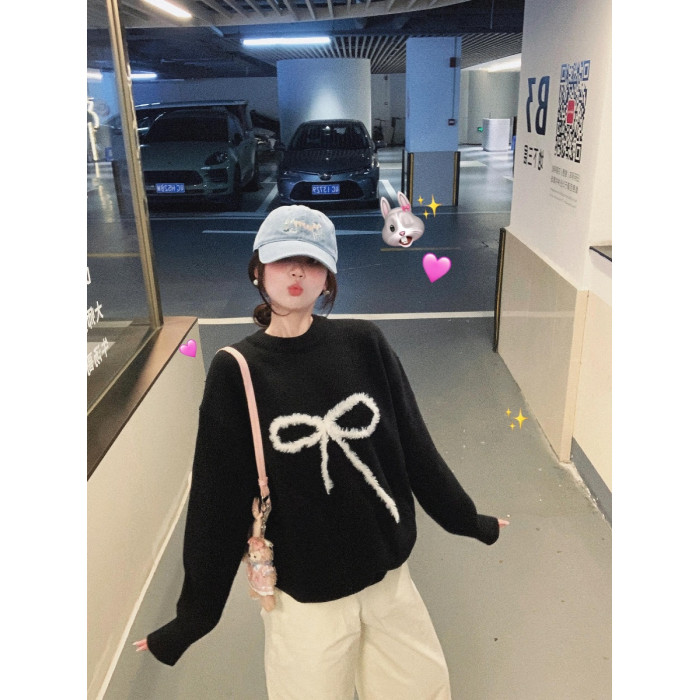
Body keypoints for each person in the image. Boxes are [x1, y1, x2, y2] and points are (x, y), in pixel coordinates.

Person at [135, 204, 509, 699]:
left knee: (422, 690)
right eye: (283, 259)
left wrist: (466, 518)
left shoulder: (364, 343)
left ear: (327, 277)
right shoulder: (237, 370)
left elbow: (413, 446)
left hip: (388, 581)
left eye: (311, 262)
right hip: (304, 601)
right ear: (258, 270)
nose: (297, 272)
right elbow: (216, 500)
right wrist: (193, 616)